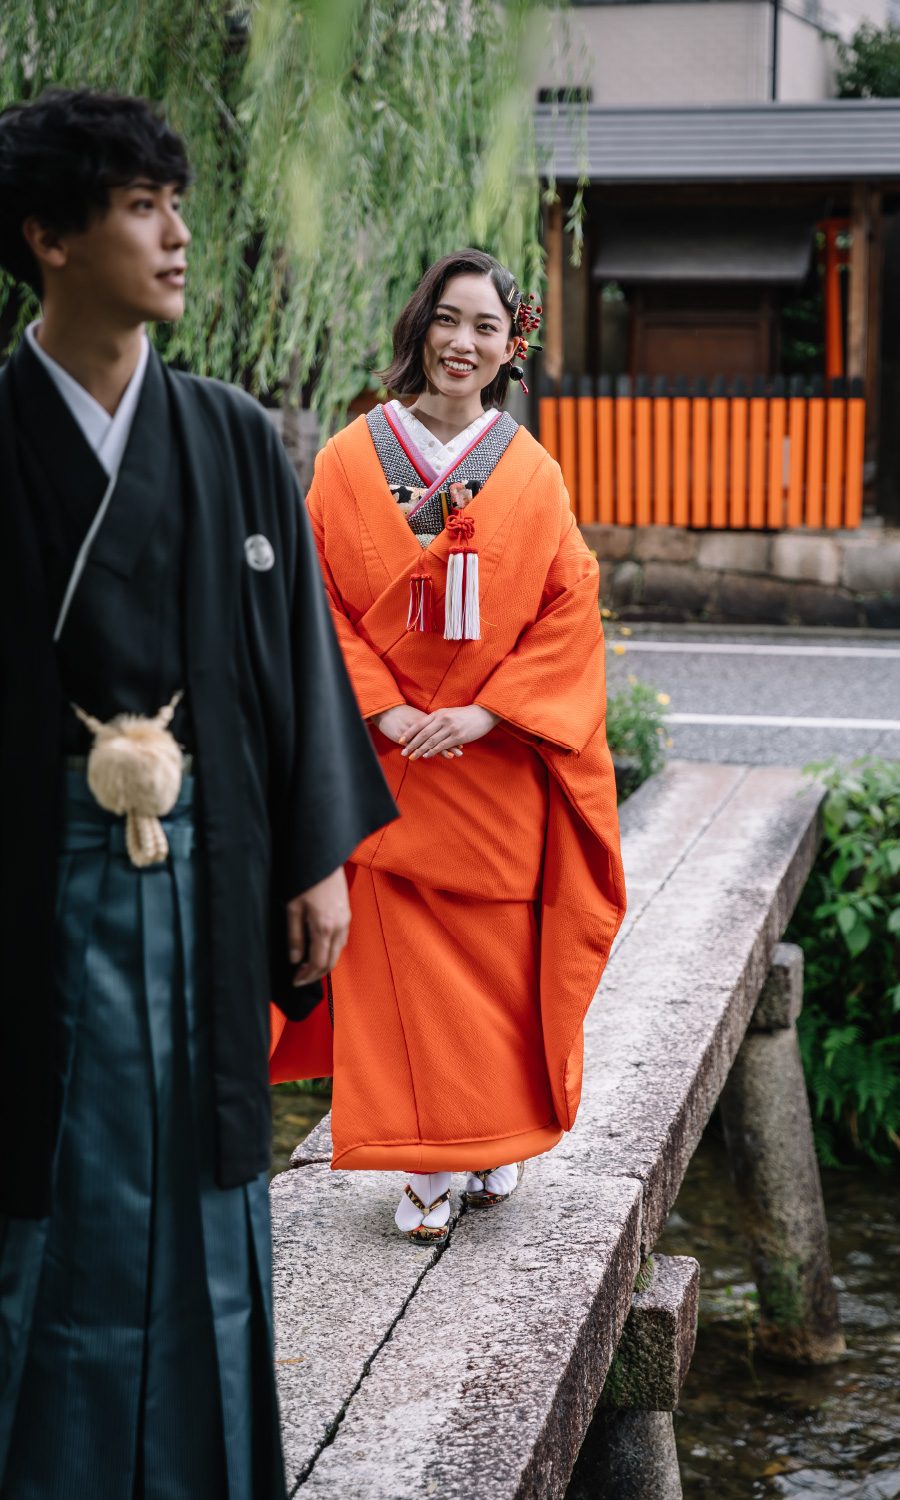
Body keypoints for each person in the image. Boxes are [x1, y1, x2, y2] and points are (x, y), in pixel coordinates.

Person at [0, 89, 396, 1500]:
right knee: (55, 1190)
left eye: (178, 203)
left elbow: (291, 668)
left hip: (214, 875)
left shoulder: (228, 436)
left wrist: (318, 858)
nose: (177, 234)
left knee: (210, 1202)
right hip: (38, 890)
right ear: (48, 236)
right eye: (140, 206)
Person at [272, 248, 626, 1242]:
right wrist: (380, 706)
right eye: (450, 320)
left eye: (487, 328)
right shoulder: (348, 460)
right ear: (419, 325)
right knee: (397, 971)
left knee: (493, 971)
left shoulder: (531, 471)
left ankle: (491, 1138)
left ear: (511, 348)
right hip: (383, 762)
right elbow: (315, 602)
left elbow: (570, 607)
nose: (464, 343)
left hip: (492, 761)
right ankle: (426, 1166)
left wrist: (489, 712)